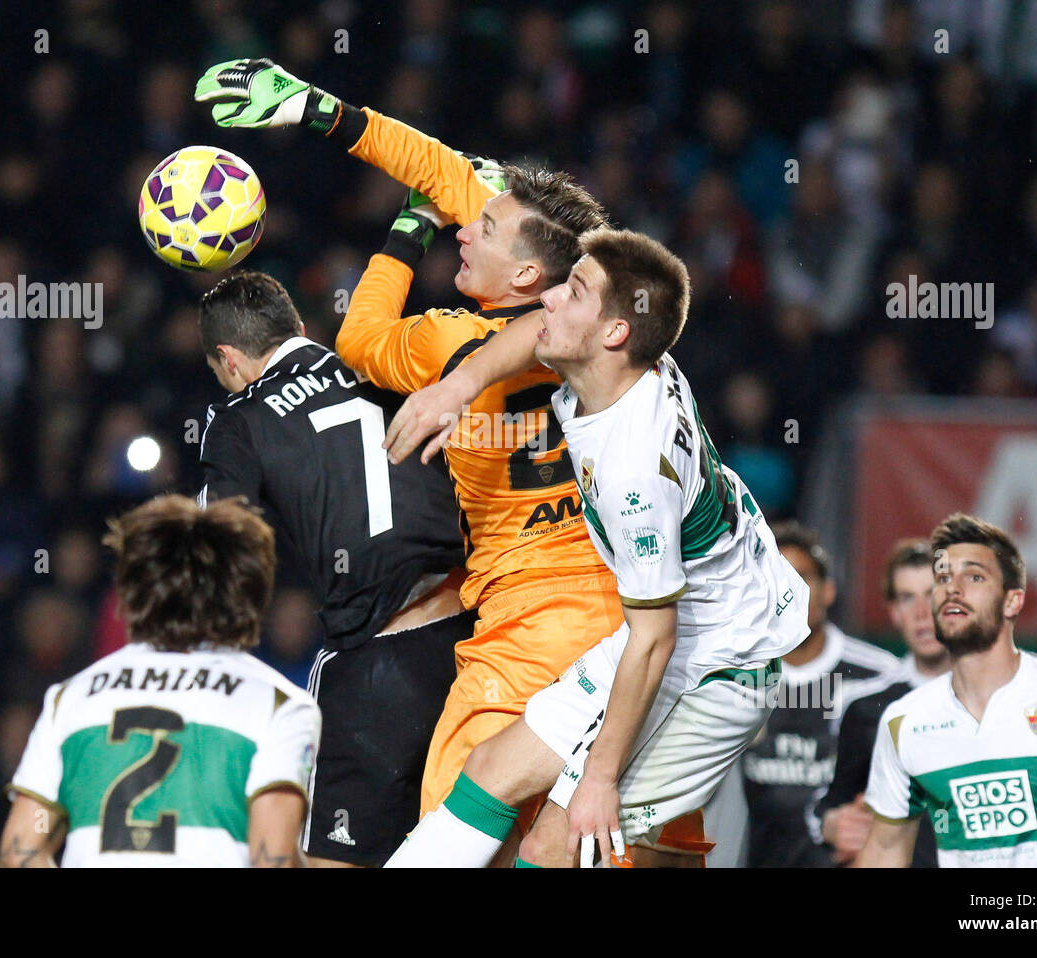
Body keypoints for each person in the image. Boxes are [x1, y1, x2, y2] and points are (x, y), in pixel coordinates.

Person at [194, 59, 640, 844]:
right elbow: (452, 174)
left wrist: (395, 211)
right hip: (626, 601)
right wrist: (325, 112)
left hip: (525, 619)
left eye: (484, 228)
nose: (467, 227)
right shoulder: (604, 326)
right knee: (606, 831)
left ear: (526, 271)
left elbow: (360, 339)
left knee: (454, 830)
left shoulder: (446, 342)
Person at [381, 228, 809, 867]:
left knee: (563, 841)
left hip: (716, 666)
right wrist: (457, 387)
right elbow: (531, 332)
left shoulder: (632, 469)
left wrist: (599, 777)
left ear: (613, 333)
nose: (549, 299)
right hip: (683, 626)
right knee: (492, 766)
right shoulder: (635, 359)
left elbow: (656, 639)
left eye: (574, 291)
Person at [195, 271, 472, 867]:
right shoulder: (384, 360)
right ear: (299, 328)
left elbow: (224, 538)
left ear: (229, 360)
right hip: (482, 639)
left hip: (379, 666)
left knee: (330, 861)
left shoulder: (239, 419)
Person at [0, 495, 319, 867]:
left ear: (134, 591)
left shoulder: (71, 697)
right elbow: (273, 858)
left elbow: (20, 850)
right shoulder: (278, 703)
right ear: (247, 591)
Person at [856, 514, 1037, 867]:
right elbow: (885, 852)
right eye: (942, 578)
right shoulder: (904, 722)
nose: (952, 589)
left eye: (974, 576)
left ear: (1013, 601)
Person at [735, 521, 900, 867]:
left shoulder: (879, 677)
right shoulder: (733, 673)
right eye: (777, 578)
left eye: (803, 578)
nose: (789, 592)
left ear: (828, 590)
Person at [815, 538, 949, 866]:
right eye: (907, 598)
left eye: (931, 594)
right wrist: (831, 825)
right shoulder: (866, 707)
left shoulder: (999, 693)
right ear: (893, 612)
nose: (921, 613)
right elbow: (830, 805)